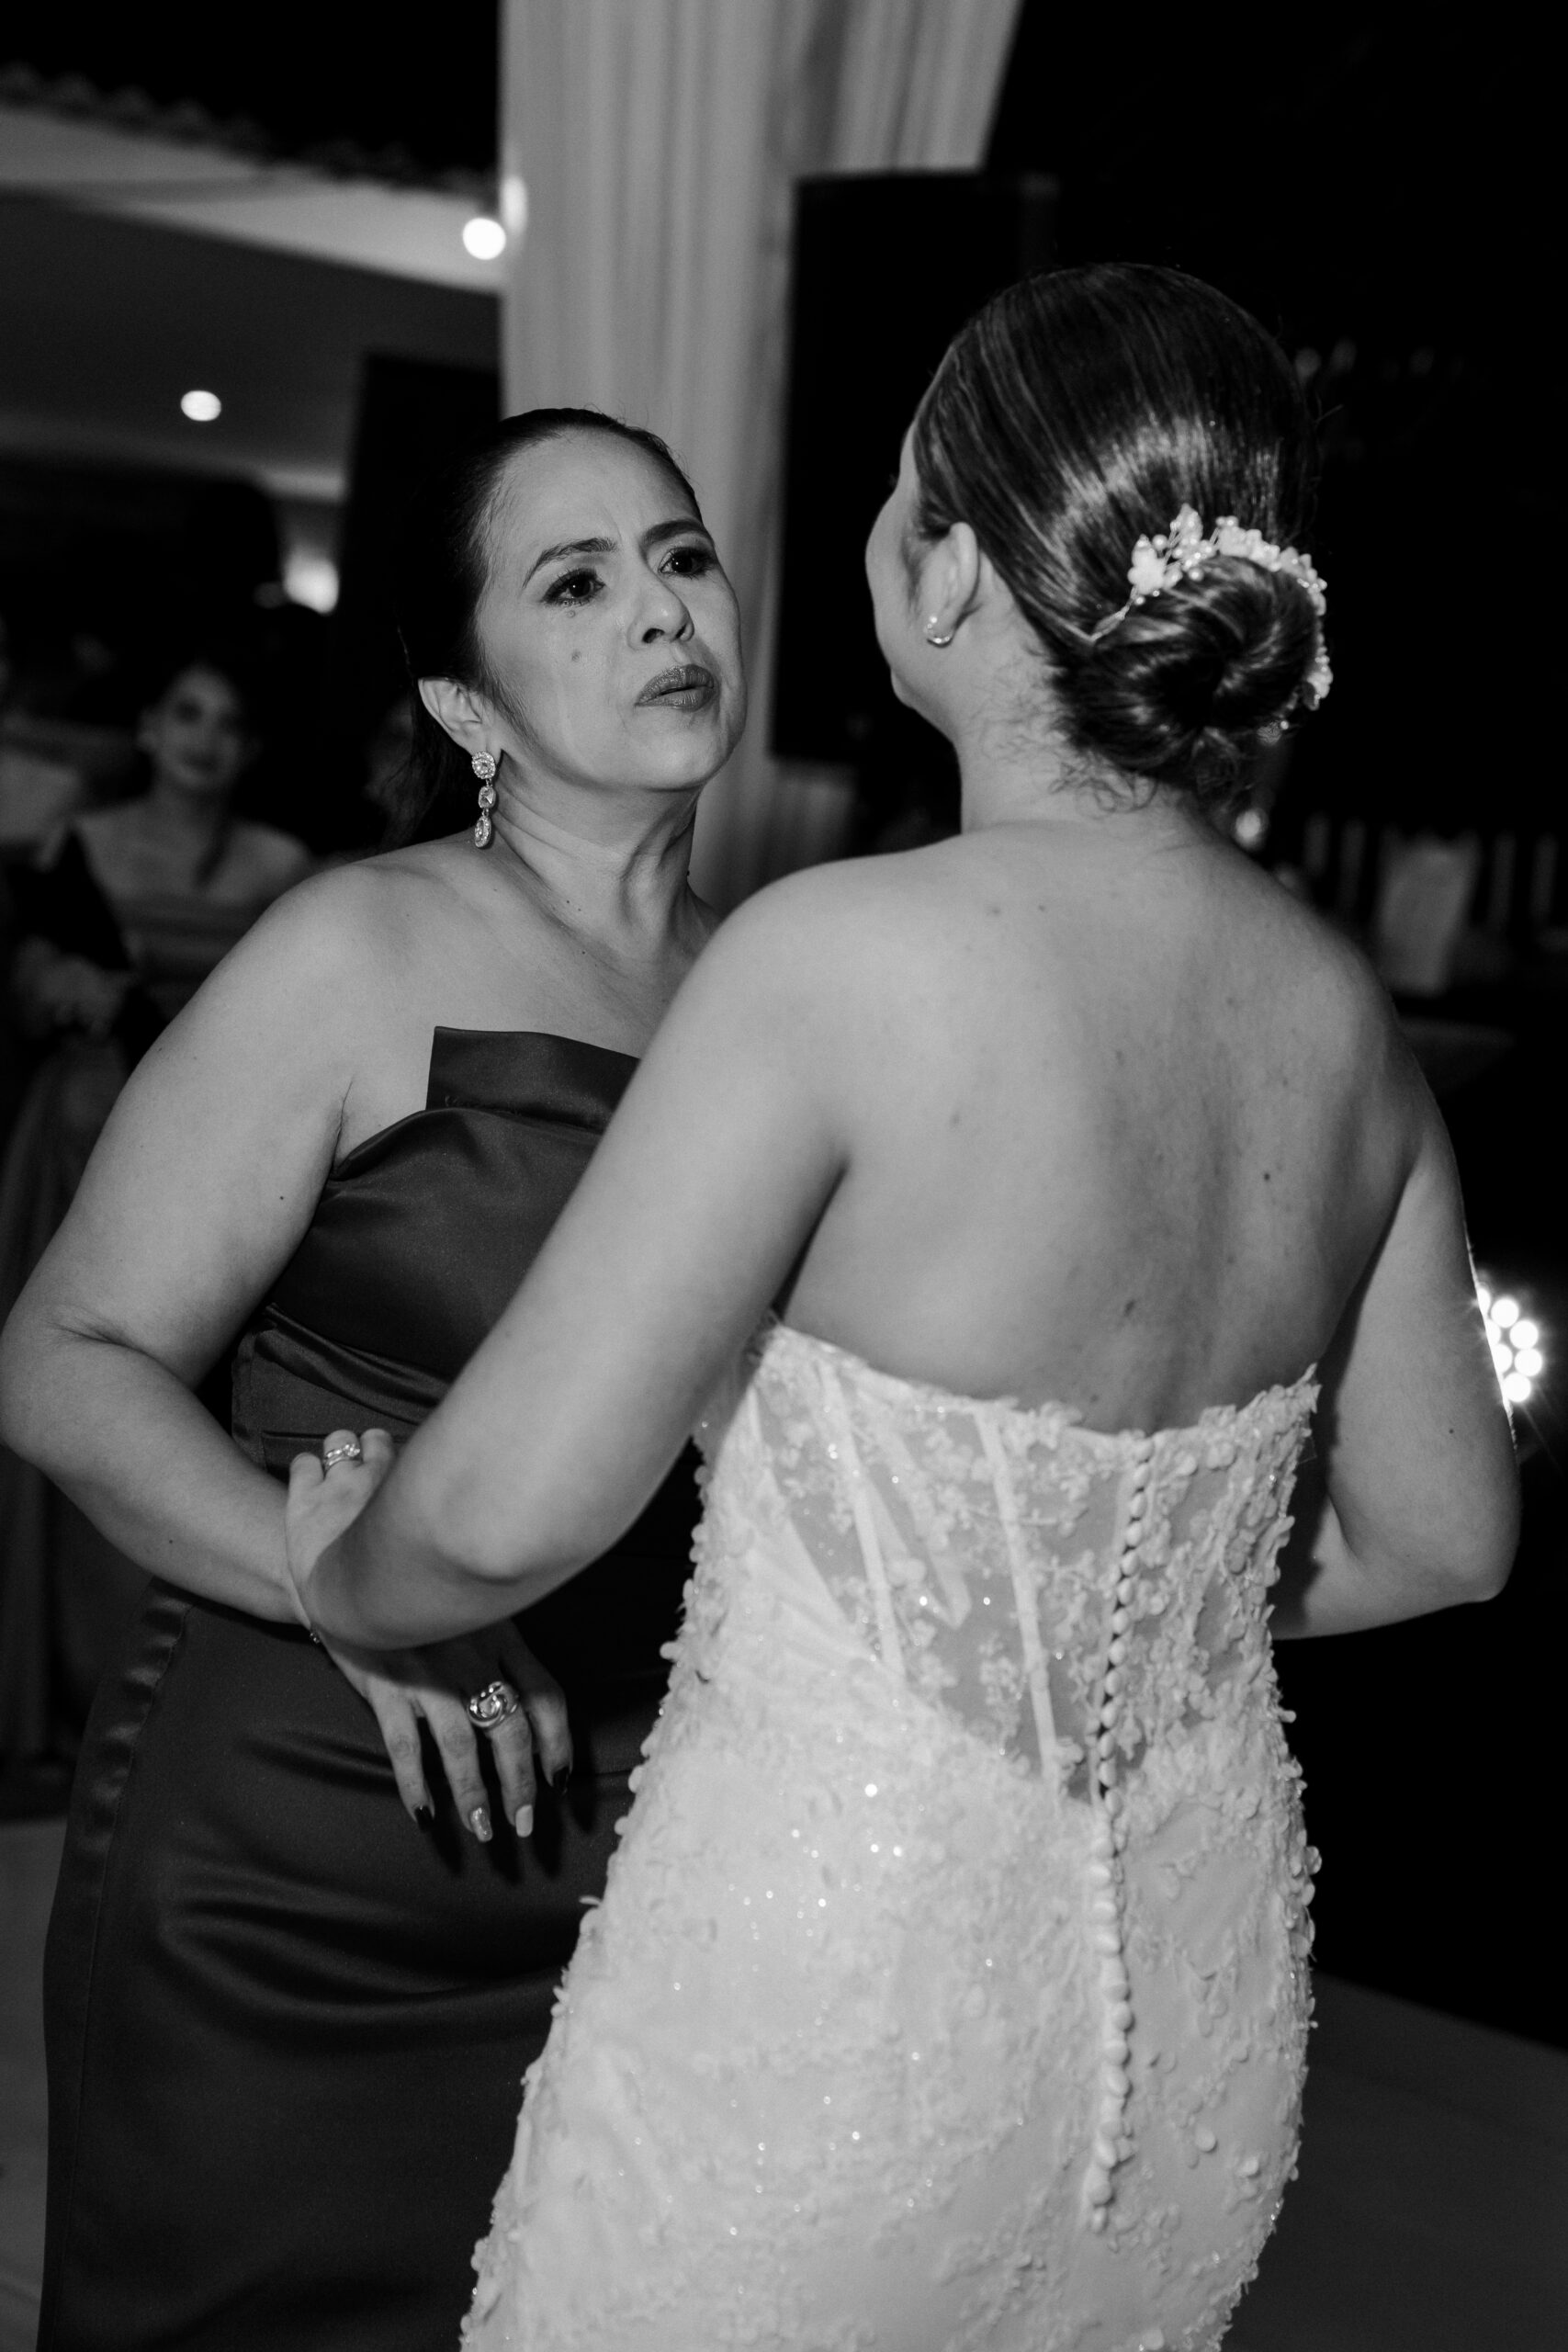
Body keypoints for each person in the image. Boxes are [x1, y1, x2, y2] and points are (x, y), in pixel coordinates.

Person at [283, 267, 1517, 2352]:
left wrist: (341, 1572)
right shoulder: (1338, 1019)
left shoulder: (832, 961)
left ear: (944, 570)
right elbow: (1445, 1534)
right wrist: (1106, 1610)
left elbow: (498, 1513)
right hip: (1186, 2022)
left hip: (830, 1996)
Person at [0, 409, 746, 2350]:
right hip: (297, 1852)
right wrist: (345, 1584)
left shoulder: (778, 993)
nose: (658, 611)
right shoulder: (359, 945)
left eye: (680, 556)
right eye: (575, 581)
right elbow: (62, 1360)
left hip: (643, 1862)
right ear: (464, 704)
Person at [0, 651, 310, 1754]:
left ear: (251, 747)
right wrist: (64, 987)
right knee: (75, 1383)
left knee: (194, 1411)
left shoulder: (287, 867)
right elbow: (26, 989)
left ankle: (148, 1684)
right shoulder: (82, 843)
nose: (203, 738)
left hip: (229, 1158)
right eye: (185, 712)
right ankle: (50, 1681)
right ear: (147, 727)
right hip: (84, 1135)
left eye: (227, 721)